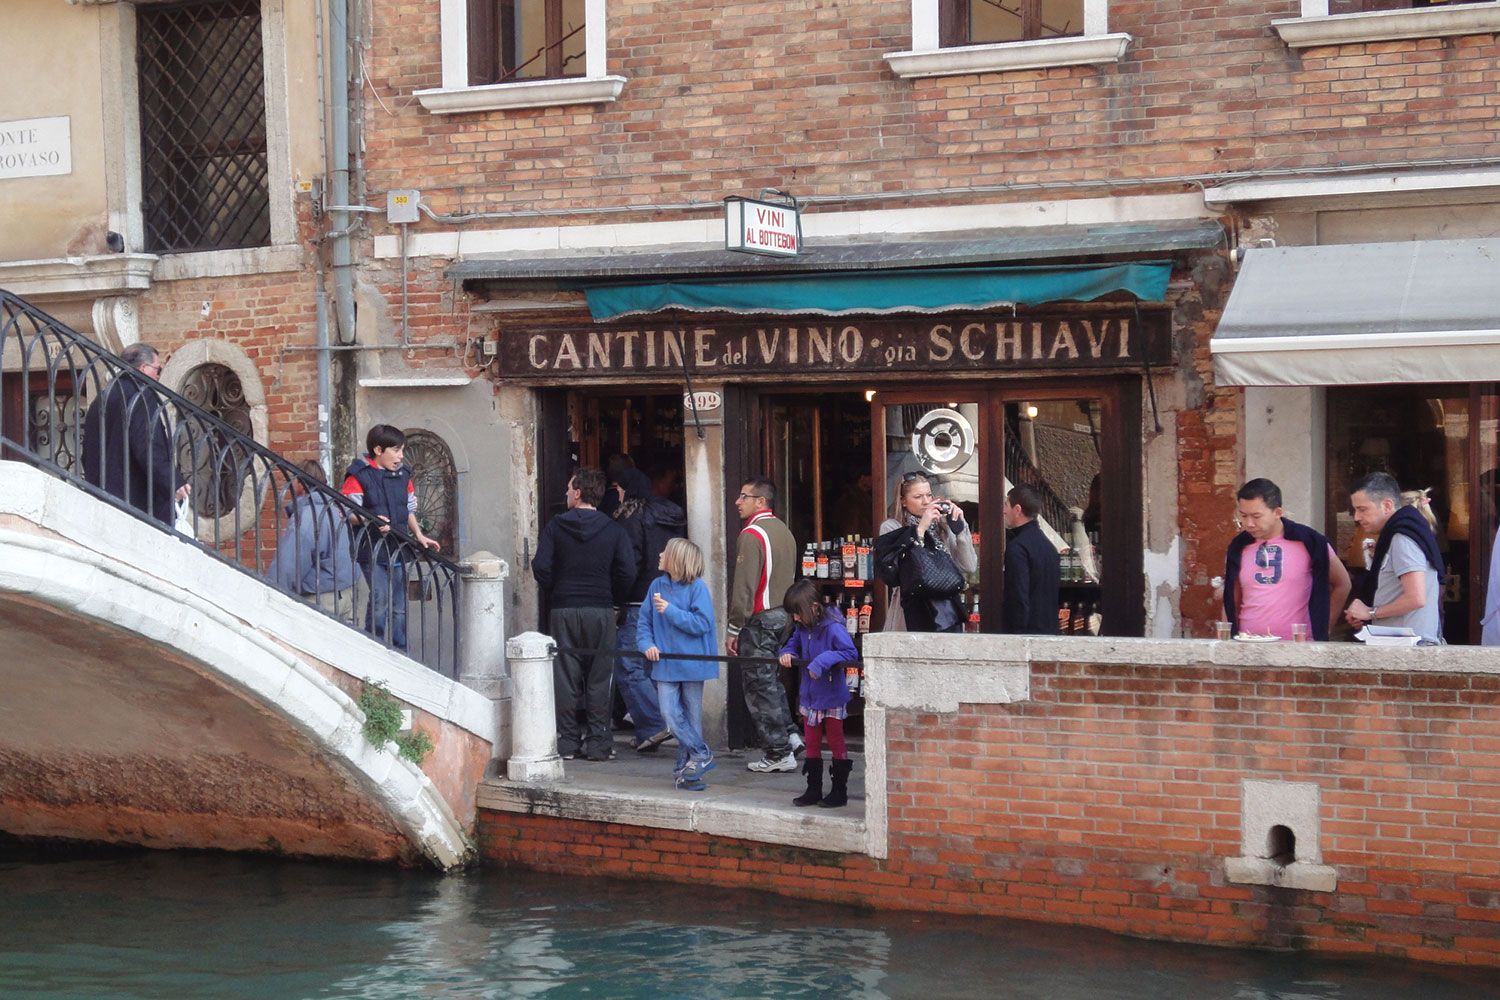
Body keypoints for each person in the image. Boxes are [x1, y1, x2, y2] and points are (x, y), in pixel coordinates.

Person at [533, 467, 637, 761]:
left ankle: (567, 743)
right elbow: (627, 571)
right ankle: (599, 744)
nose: (566, 493)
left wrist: (558, 589)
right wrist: (616, 600)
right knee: (600, 678)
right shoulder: (614, 529)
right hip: (601, 609)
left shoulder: (555, 526)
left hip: (564, 608)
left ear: (578, 492)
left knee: (565, 677)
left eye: (568, 488)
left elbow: (541, 566)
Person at [340, 424, 441, 651]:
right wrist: (371, 520)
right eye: (396, 450)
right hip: (371, 548)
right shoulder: (358, 476)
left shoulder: (404, 475)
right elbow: (347, 513)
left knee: (399, 605)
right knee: (380, 599)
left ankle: (400, 651)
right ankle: (374, 647)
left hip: (397, 546)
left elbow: (409, 510)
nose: (400, 456)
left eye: (402, 450)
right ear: (378, 450)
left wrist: (419, 535)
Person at [726, 476, 800, 773]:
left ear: (761, 501)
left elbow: (744, 586)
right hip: (783, 615)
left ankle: (778, 750)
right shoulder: (784, 530)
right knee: (771, 682)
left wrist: (734, 628)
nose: (737, 501)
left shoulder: (751, 533)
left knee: (759, 687)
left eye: (744, 496)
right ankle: (791, 736)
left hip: (761, 618)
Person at [613, 466, 687, 752]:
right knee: (654, 665)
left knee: (629, 664)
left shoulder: (633, 518)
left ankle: (658, 723)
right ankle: (649, 730)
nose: (616, 495)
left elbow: (629, 564)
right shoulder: (673, 516)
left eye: (619, 489)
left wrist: (619, 598)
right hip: (667, 598)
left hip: (637, 601)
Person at [1224, 478, 1351, 641]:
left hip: (1298, 646)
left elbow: (1343, 583)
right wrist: (1227, 640)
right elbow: (1231, 597)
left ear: (1277, 513)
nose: (1249, 523)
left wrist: (1323, 628)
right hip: (1247, 644)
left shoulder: (1310, 541)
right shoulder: (1238, 546)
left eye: (1256, 516)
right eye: (1243, 516)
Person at [638, 537, 718, 790]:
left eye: (666, 551)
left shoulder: (698, 588)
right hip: (666, 664)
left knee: (691, 719)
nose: (660, 554)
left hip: (693, 664)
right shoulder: (656, 585)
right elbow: (644, 623)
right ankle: (701, 754)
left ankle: (686, 773)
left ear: (677, 559)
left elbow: (702, 624)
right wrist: (646, 645)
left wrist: (670, 611)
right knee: (671, 716)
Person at [80, 343, 190, 526]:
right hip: (135, 502)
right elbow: (148, 447)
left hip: (103, 497)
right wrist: (172, 482)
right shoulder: (141, 396)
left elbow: (88, 451)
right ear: (143, 368)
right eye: (157, 369)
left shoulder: (103, 397)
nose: (158, 375)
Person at [778, 579, 858, 809]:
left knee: (835, 740)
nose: (795, 618)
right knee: (811, 742)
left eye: (797, 613)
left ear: (812, 607)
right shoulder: (802, 628)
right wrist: (787, 653)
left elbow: (849, 652)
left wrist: (821, 662)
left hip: (831, 694)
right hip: (810, 695)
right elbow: (791, 645)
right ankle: (813, 788)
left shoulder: (833, 627)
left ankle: (839, 790)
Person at [1344, 471, 1444, 643]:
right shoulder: (1397, 535)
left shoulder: (1402, 539)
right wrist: (1368, 613)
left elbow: (1416, 597)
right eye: (1355, 510)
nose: (1357, 517)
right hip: (1401, 643)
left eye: (1362, 509)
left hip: (1409, 646)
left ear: (1387, 506)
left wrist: (1370, 612)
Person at [874, 472, 976, 632]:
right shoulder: (892, 527)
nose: (926, 501)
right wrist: (921, 528)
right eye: (918, 496)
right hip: (912, 610)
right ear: (903, 501)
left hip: (947, 608)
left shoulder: (942, 525)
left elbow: (969, 566)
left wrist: (960, 529)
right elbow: (896, 574)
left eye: (929, 495)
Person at [268, 460, 358, 623]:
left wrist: (272, 595)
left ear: (300, 483)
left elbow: (289, 564)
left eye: (293, 480)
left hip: (322, 597)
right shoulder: (336, 508)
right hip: (346, 593)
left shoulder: (307, 516)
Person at [1001, 484, 1061, 635]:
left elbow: (1018, 598)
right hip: (1050, 632)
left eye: (1006, 504)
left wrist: (1016, 635)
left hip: (1027, 636)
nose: (1003, 510)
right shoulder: (1049, 547)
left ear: (1017, 510)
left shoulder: (1018, 548)